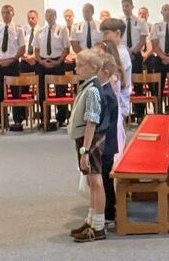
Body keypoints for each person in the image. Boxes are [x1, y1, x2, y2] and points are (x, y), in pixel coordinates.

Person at [67, 49, 108, 242]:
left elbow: (92, 122)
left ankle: (98, 226)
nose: (76, 69)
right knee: (91, 181)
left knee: (96, 181)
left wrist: (85, 150)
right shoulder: (87, 86)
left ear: (93, 67)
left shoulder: (92, 90)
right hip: (85, 140)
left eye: (80, 65)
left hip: (90, 141)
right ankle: (91, 220)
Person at [94, 48, 123, 227]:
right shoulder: (103, 90)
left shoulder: (106, 94)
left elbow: (102, 123)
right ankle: (107, 210)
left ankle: (109, 213)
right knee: (104, 177)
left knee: (105, 179)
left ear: (104, 72)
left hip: (105, 143)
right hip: (106, 142)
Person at [0, 5, 27, 131]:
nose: (5, 15)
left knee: (16, 92)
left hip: (13, 63)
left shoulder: (18, 29)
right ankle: (3, 119)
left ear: (13, 14)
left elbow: (22, 48)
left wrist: (13, 59)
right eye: (3, 13)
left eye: (8, 12)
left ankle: (17, 120)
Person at [32, 8, 71, 129]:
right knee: (42, 91)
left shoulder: (62, 30)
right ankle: (45, 117)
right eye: (47, 15)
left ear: (55, 16)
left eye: (51, 15)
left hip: (57, 62)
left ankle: (61, 118)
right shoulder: (40, 31)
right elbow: (36, 49)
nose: (49, 17)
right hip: (43, 62)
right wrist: (41, 61)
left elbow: (66, 48)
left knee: (61, 90)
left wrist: (58, 61)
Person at [99, 21, 132, 158]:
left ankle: (119, 160)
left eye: (107, 33)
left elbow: (117, 78)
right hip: (116, 98)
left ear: (118, 33)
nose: (104, 37)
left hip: (119, 97)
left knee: (117, 133)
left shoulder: (121, 53)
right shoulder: (116, 50)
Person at [120, 0, 149, 121]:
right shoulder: (120, 22)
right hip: (123, 55)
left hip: (136, 55)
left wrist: (134, 51)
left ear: (132, 7)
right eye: (123, 6)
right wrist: (125, 52)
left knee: (138, 84)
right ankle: (125, 113)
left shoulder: (140, 22)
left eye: (127, 6)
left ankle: (139, 113)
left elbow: (143, 39)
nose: (125, 8)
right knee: (123, 84)